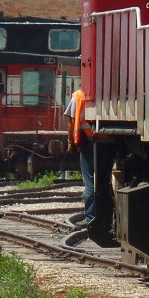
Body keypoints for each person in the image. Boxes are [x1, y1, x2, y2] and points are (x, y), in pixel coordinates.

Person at [64, 84, 95, 224]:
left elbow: (71, 122)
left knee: (90, 183)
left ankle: (90, 218)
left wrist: (70, 141)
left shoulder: (78, 96)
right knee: (103, 181)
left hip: (87, 142)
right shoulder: (103, 94)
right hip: (108, 140)